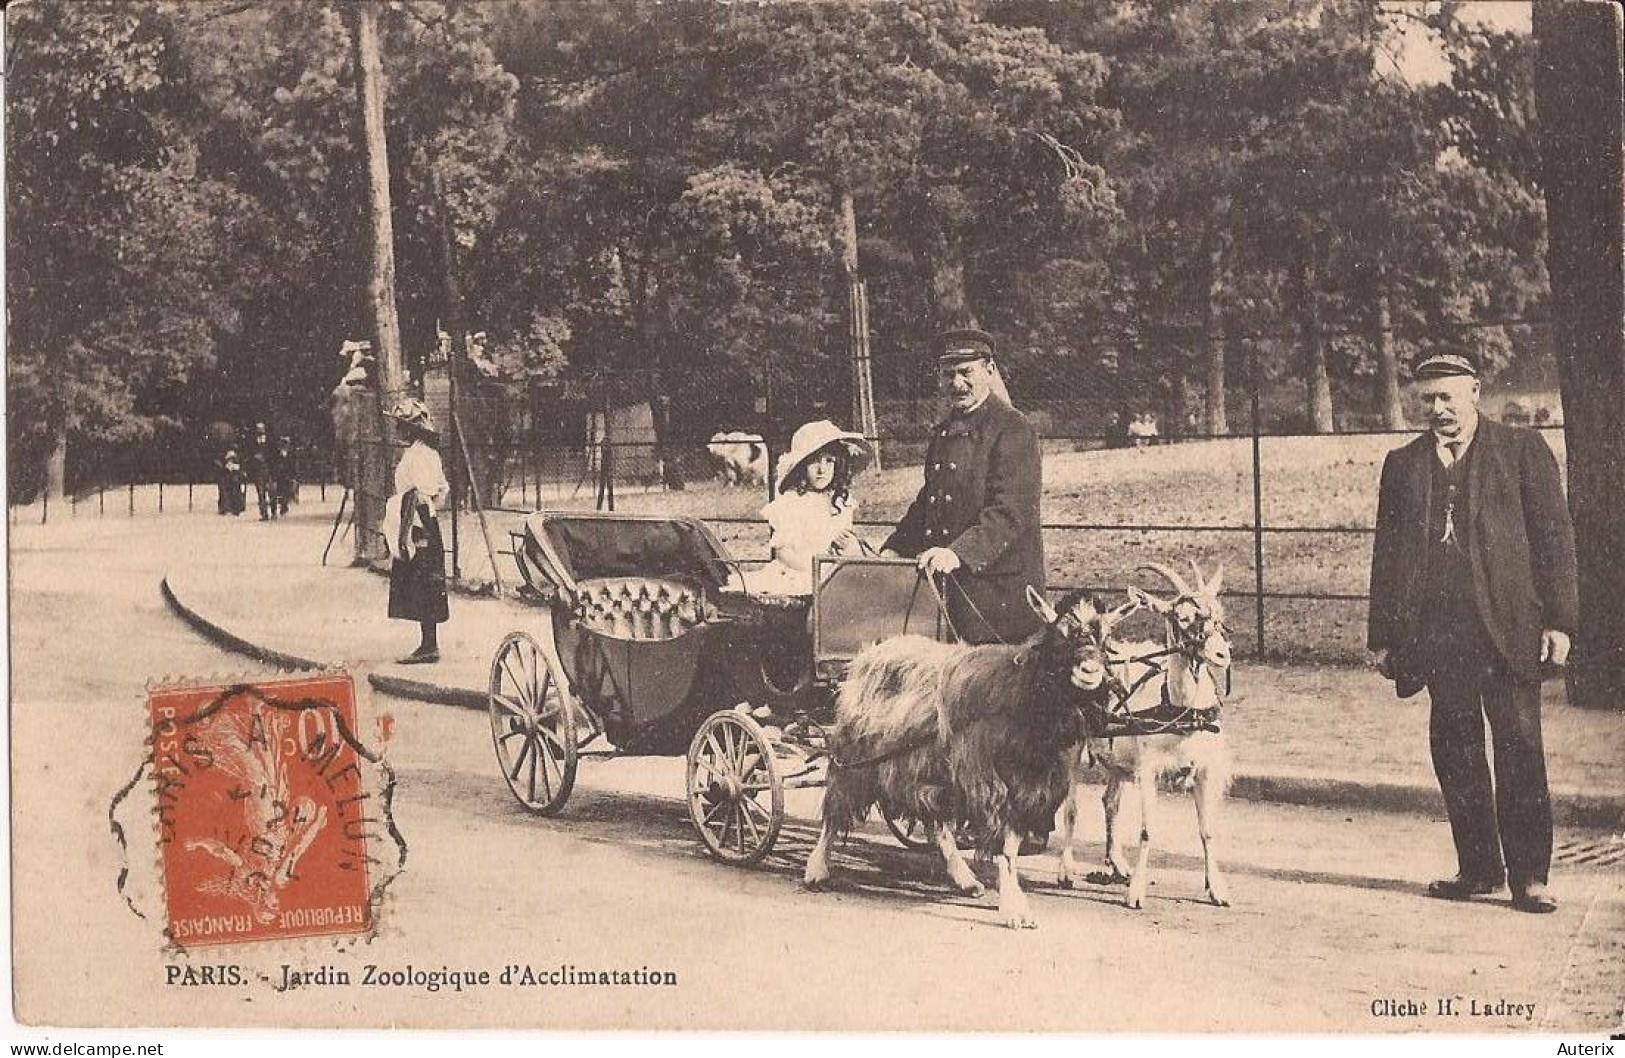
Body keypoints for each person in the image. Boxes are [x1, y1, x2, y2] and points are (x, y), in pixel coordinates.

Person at [1367, 353, 1577, 914]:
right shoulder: (1403, 465)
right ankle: (1479, 868)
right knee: (1456, 751)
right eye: (1428, 400)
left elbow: (1555, 543)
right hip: (1440, 637)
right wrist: (1383, 636)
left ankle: (1530, 878)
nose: (1438, 411)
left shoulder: (1522, 451)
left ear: (1475, 393)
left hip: (1510, 631)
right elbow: (1386, 557)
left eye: (1448, 398)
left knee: (1520, 749)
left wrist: (1559, 622)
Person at [881, 327, 1045, 646]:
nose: (957, 384)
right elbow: (929, 503)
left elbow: (1009, 512)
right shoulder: (944, 432)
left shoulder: (1013, 429)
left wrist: (958, 553)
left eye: (966, 372)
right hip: (950, 591)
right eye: (948, 375)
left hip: (997, 597)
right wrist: (896, 546)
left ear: (990, 370)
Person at [743, 420, 873, 596]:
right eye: (814, 462)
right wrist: (815, 569)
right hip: (801, 572)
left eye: (829, 461)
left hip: (835, 570)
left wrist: (851, 548)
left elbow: (845, 539)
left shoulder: (840, 501)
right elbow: (783, 552)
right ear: (801, 466)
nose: (822, 470)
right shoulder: (793, 502)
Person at [383, 398, 451, 664]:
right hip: (425, 519)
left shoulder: (417, 456)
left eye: (400, 425)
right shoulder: (428, 453)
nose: (397, 430)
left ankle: (429, 645)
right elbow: (442, 490)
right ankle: (428, 642)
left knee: (423, 579)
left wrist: (410, 527)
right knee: (425, 580)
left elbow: (421, 494)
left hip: (418, 521)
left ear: (411, 429)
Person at [247, 421, 276, 520]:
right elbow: (249, 454)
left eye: (262, 429)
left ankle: (274, 511)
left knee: (272, 492)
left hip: (269, 470)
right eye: (258, 429)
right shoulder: (252, 442)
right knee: (261, 493)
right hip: (258, 470)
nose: (260, 431)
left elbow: (273, 454)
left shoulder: (270, 441)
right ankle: (264, 513)